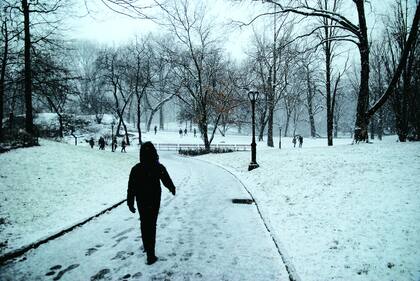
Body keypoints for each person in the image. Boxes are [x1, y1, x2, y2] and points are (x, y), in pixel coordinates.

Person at [127, 142, 176, 265]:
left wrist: (130, 202)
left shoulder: (136, 169)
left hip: (141, 199)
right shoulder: (158, 167)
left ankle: (146, 246)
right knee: (151, 224)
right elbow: (166, 179)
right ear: (154, 153)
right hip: (154, 199)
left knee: (144, 222)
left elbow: (131, 187)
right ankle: (151, 254)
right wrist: (172, 188)